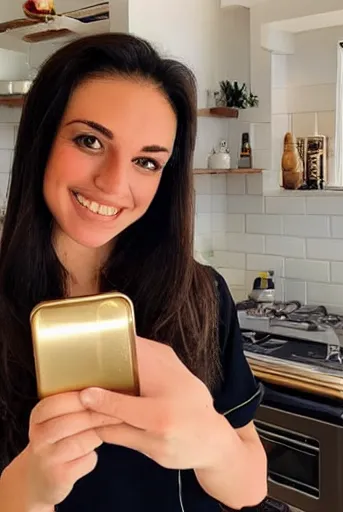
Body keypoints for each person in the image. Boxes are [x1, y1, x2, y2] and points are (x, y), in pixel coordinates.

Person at [0, 32, 268, 511]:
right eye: (90, 140)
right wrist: (23, 491)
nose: (113, 183)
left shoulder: (200, 294)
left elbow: (252, 486)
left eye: (147, 161)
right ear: (41, 139)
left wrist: (213, 444)